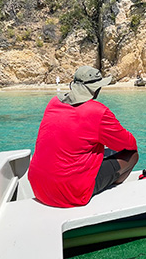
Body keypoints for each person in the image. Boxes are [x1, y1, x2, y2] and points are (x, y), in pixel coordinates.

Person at [29, 66, 139, 208]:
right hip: (70, 193)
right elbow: (129, 144)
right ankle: (110, 187)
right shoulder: (98, 112)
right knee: (132, 155)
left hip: (38, 187)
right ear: (97, 88)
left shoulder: (53, 103)